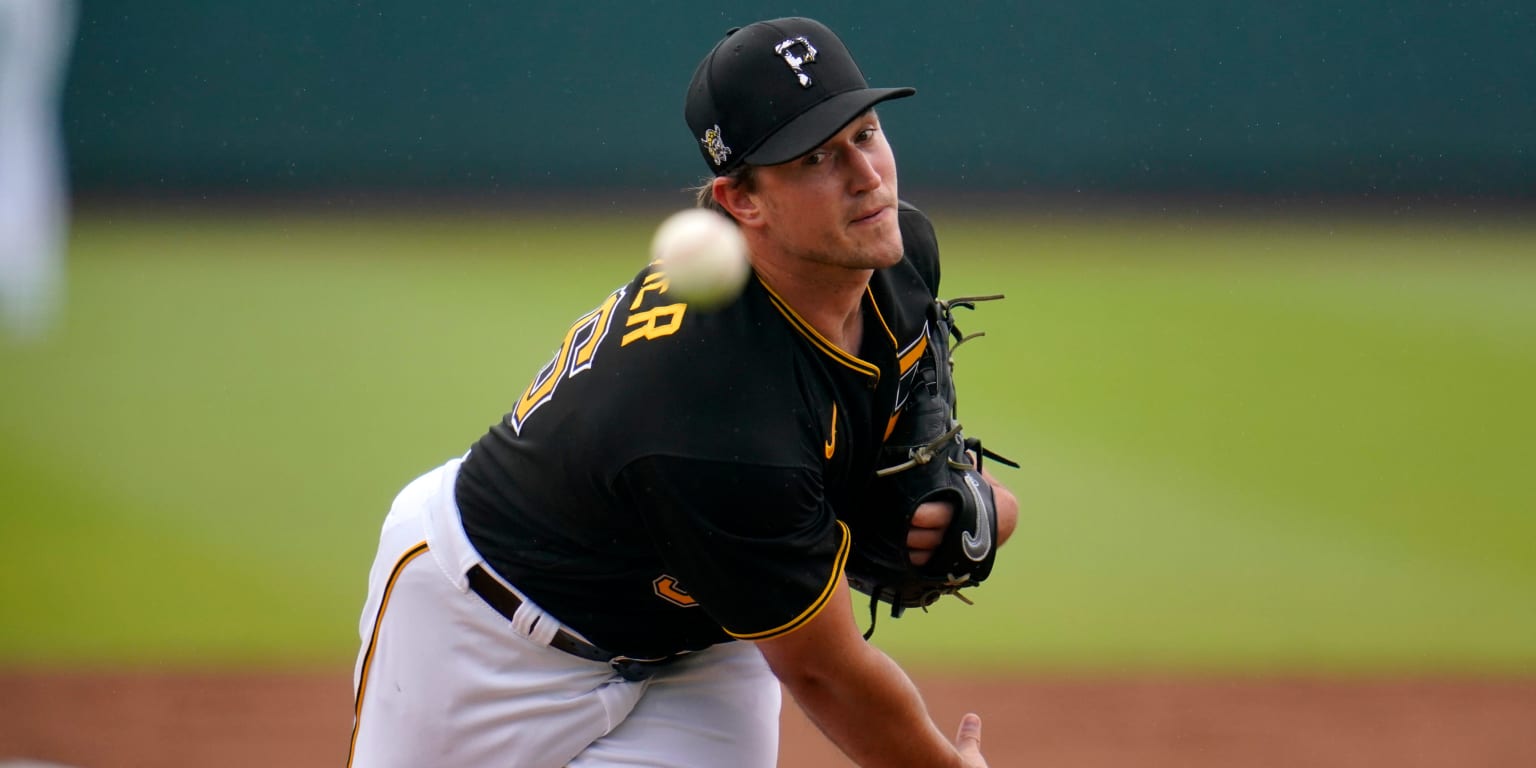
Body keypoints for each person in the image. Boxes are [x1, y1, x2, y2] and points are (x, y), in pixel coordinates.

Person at [347, 16, 1019, 768]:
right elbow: (827, 672)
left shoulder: (896, 254)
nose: (867, 177)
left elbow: (875, 447)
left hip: (697, 634)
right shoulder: (717, 409)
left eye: (866, 134)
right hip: (486, 636)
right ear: (742, 202)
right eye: (819, 157)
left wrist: (967, 500)